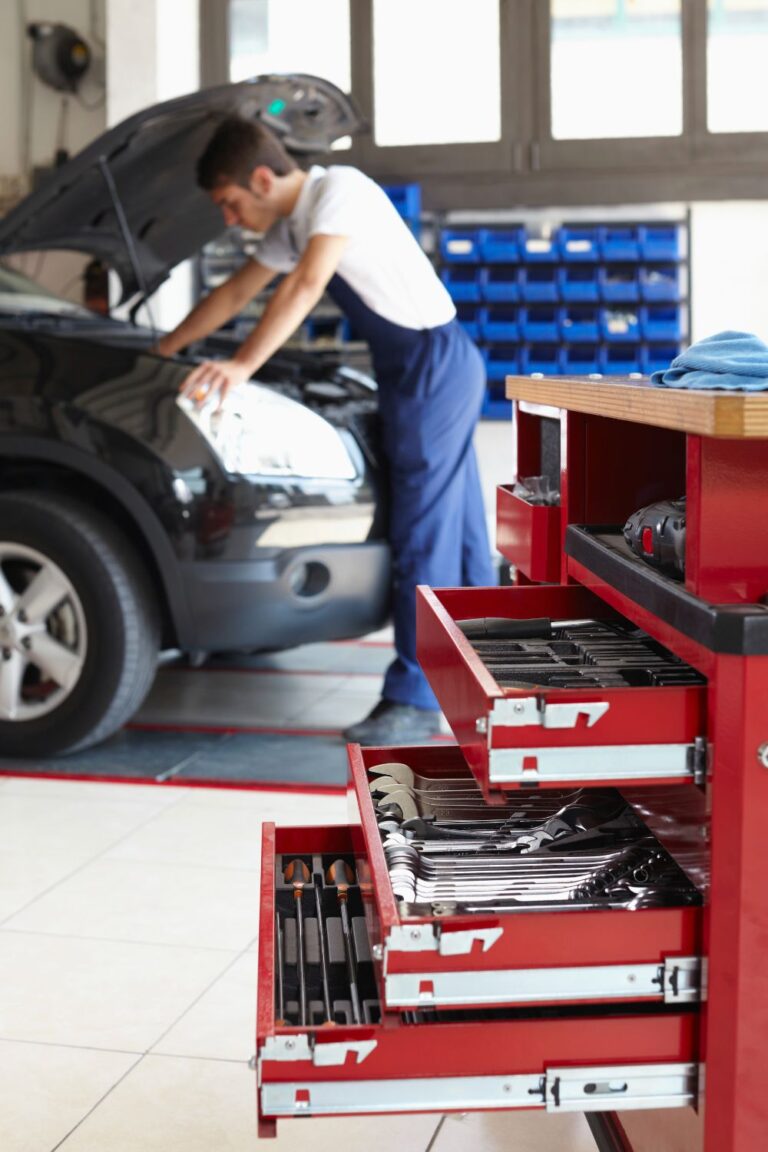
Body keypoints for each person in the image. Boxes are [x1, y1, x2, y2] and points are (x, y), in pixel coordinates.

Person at [156, 116, 495, 744]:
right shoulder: (292, 224)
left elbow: (307, 285)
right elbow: (236, 292)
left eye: (230, 204)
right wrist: (166, 348)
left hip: (432, 363)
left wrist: (239, 365)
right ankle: (486, 672)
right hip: (412, 370)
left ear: (262, 178)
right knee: (461, 531)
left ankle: (415, 697)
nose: (229, 220)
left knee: (422, 532)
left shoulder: (339, 189)